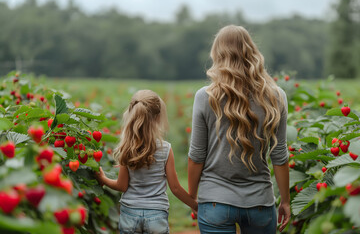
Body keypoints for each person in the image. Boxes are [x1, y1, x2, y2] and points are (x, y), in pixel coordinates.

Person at [187, 25, 291, 234]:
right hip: (260, 203)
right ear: (251, 52)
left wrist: (193, 198)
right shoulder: (276, 96)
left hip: (215, 202)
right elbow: (279, 155)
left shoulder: (205, 96)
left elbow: (197, 155)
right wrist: (286, 201)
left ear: (217, 55)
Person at [96, 89, 198, 234]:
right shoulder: (165, 149)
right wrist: (195, 205)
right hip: (157, 214)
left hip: (130, 213)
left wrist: (103, 179)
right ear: (157, 117)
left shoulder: (127, 148)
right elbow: (175, 188)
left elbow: (122, 185)